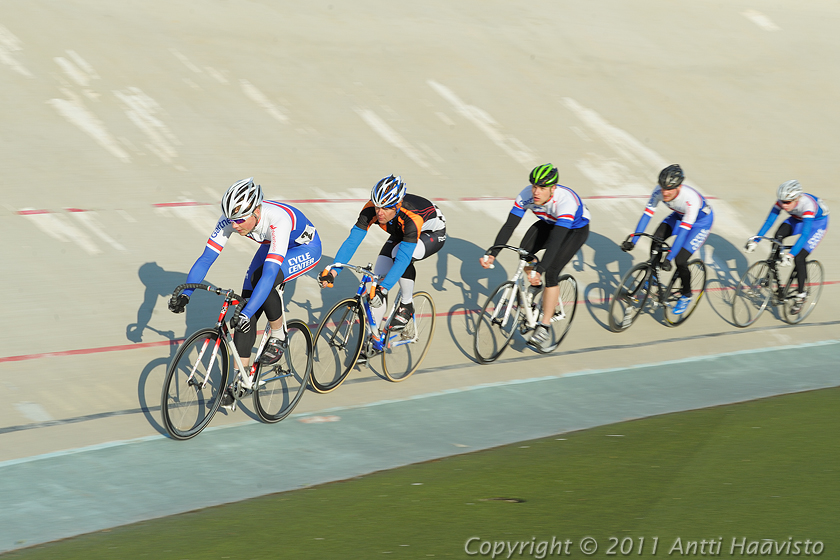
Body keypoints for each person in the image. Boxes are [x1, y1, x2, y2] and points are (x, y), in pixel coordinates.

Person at [168, 178, 321, 405]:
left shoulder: (277, 219)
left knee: (262, 282)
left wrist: (247, 313)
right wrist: (186, 294)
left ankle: (279, 335)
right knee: (244, 306)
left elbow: (269, 274)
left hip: (303, 248)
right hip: (271, 244)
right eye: (231, 220)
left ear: (256, 211)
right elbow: (206, 258)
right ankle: (243, 378)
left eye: (240, 220)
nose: (235, 225)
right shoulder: (232, 218)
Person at [318, 174, 446, 360]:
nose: (379, 212)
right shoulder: (371, 209)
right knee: (374, 283)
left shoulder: (412, 217)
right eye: (377, 206)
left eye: (385, 208)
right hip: (400, 231)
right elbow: (352, 241)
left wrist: (385, 289)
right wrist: (333, 271)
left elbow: (402, 259)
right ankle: (374, 339)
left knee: (398, 259)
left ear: (397, 205)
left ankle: (406, 304)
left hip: (430, 232)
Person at [479, 163, 590, 350]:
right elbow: (509, 226)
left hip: (573, 231)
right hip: (548, 222)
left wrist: (541, 268)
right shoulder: (526, 195)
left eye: (542, 188)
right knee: (524, 252)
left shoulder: (566, 202)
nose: (536, 192)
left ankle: (544, 326)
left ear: (553, 189)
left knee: (552, 271)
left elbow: (555, 242)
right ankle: (536, 287)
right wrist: (492, 253)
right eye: (534, 186)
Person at [621, 164, 713, 315]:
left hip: (699, 224)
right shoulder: (658, 191)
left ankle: (686, 295)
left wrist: (669, 258)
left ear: (679, 187)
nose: (665, 192)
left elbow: (683, 234)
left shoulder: (690, 200)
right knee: (656, 238)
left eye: (669, 189)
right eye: (663, 187)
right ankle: (654, 277)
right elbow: (646, 216)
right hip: (679, 216)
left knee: (681, 261)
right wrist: (634, 241)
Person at [745, 180, 829, 314]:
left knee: (799, 257)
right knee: (777, 236)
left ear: (797, 198)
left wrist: (790, 255)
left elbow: (805, 235)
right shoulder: (784, 201)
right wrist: (756, 240)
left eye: (787, 202)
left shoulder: (807, 205)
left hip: (816, 224)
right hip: (798, 219)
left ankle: (801, 296)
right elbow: (769, 221)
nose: (784, 206)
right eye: (782, 201)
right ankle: (771, 273)